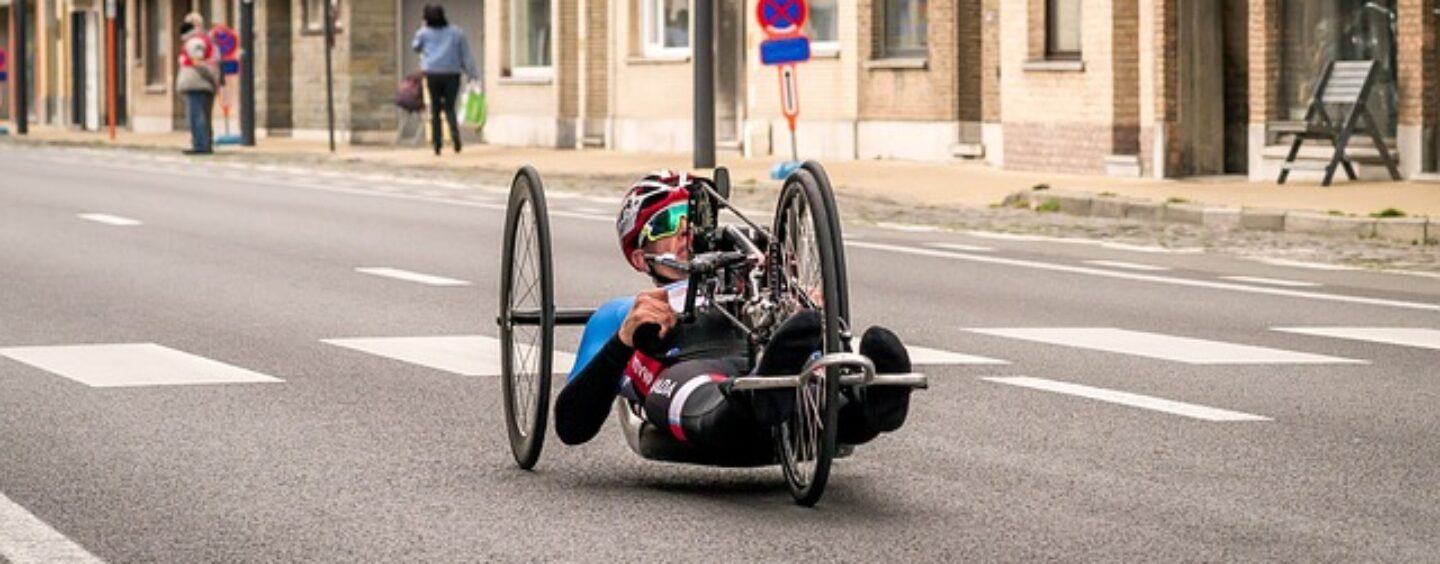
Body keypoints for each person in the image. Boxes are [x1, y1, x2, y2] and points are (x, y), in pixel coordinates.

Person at [554, 171, 913, 462]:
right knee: (707, 395)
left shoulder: (753, 285)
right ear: (638, 256)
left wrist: (805, 308)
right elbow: (571, 427)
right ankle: (757, 400)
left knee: (811, 362)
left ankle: (871, 406)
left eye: (692, 217)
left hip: (770, 363)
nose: (685, 229)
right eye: (668, 222)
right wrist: (622, 340)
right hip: (688, 374)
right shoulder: (621, 311)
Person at [411, 5, 480, 156]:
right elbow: (466, 55)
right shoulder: (457, 33)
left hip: (432, 73)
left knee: (435, 109)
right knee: (449, 107)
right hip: (452, 74)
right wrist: (473, 74)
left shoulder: (424, 33)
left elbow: (415, 46)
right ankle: (456, 139)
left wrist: (422, 28)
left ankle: (437, 144)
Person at [176, 14, 218, 155]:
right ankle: (204, 143)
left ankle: (200, 145)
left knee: (196, 116)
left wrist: (209, 76)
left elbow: (198, 61)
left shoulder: (195, 41)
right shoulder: (205, 40)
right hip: (203, 83)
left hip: (196, 83)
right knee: (203, 116)